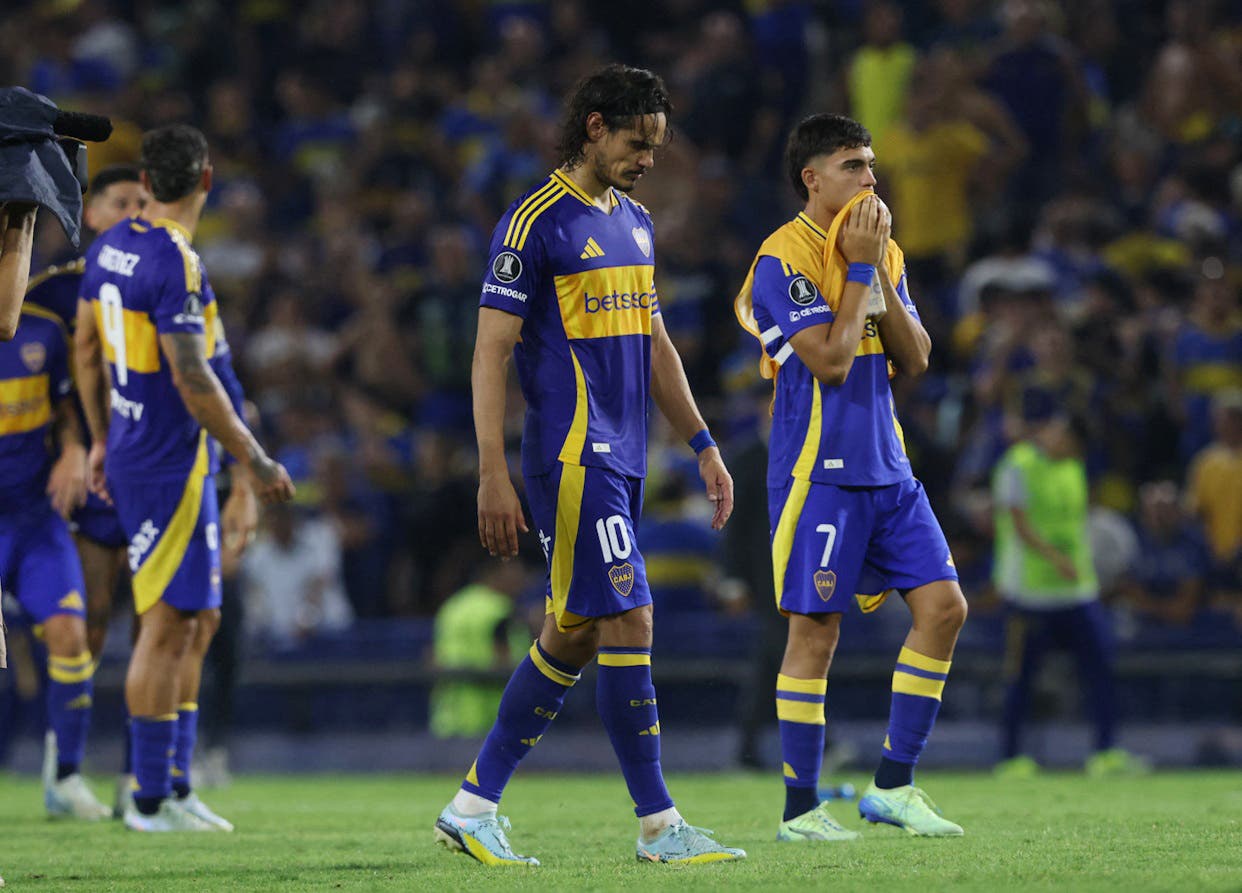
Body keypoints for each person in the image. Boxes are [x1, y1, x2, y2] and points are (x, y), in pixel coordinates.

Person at [434, 64, 745, 867]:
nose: (649, 158)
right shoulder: (534, 220)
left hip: (626, 454)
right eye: (638, 143)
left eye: (659, 146)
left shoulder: (635, 222)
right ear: (596, 127)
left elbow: (656, 342)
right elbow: (489, 354)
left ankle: (472, 804)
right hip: (572, 453)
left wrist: (704, 443)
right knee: (630, 618)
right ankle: (658, 823)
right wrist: (491, 472)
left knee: (571, 635)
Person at [734, 113, 968, 840]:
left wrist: (880, 271)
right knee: (815, 632)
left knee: (945, 607)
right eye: (854, 166)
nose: (872, 178)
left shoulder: (885, 252)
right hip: (820, 470)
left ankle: (894, 785)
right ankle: (801, 807)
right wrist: (862, 267)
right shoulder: (783, 259)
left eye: (871, 165)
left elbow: (918, 354)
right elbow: (830, 362)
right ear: (813, 178)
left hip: (888, 466)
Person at [76, 124, 294, 832]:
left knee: (200, 620)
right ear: (206, 182)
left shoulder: (110, 247)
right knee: (165, 624)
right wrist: (255, 460)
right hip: (165, 460)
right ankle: (144, 796)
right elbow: (194, 376)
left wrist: (101, 434)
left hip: (164, 454)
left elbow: (85, 346)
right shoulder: (175, 261)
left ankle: (174, 781)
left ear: (148, 179)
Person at [0, 295, 110, 819]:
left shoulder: (44, 331)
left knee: (70, 633)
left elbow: (66, 408)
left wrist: (72, 449)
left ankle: (64, 778)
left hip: (34, 518)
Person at [992, 412, 1145, 777]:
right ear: (1056, 432)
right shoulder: (1017, 464)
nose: (1071, 450)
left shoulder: (1073, 467)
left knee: (1102, 668)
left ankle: (1105, 753)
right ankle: (1011, 758)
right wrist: (1058, 559)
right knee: (1021, 678)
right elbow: (1019, 525)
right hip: (1029, 593)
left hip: (1077, 591)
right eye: (1070, 442)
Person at [429, 557, 533, 739]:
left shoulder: (453, 606)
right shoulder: (500, 609)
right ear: (497, 573)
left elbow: (434, 658)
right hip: (490, 719)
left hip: (449, 716)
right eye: (516, 572)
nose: (522, 578)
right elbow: (503, 659)